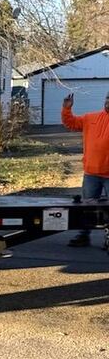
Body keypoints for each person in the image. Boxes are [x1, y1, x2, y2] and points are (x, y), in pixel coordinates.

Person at [61, 91, 109, 246]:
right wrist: (66, 108)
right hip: (91, 173)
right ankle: (84, 235)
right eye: (107, 98)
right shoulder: (91, 118)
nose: (108, 101)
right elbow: (71, 123)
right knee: (87, 206)